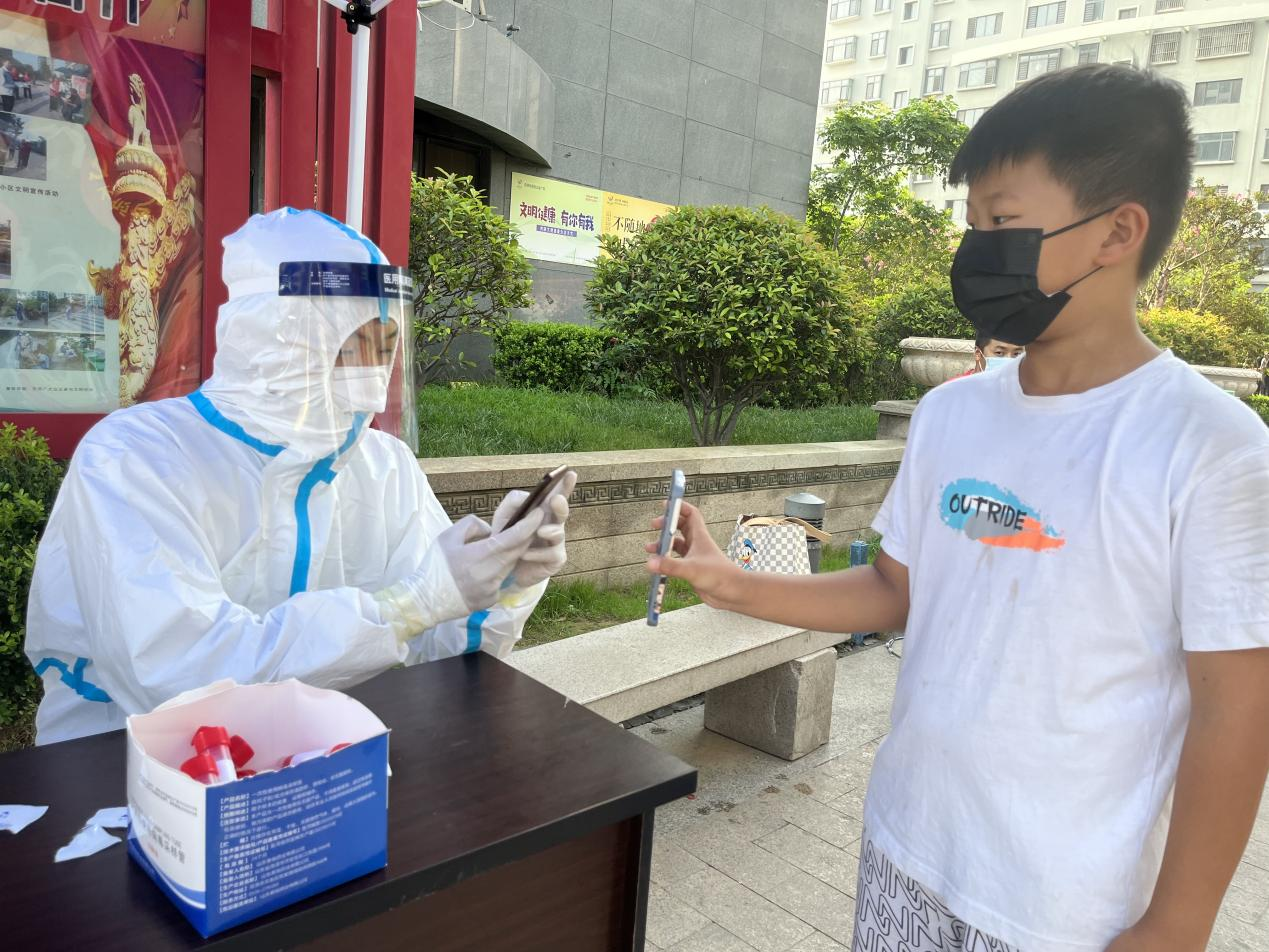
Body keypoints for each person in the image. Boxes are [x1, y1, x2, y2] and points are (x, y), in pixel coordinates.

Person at [647, 65, 1268, 952]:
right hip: (906, 846)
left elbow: (1235, 710)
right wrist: (729, 583)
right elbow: (894, 590)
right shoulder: (951, 413)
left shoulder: (1211, 448)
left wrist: (1179, 922)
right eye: (971, 223)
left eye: (1002, 222)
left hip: (1056, 909)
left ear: (1117, 231)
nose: (976, 250)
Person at [25, 207, 576, 745]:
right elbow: (179, 678)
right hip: (125, 768)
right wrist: (405, 607)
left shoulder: (383, 465)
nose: (373, 374)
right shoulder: (135, 457)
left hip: (321, 759)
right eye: (353, 343)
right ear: (273, 342)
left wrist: (502, 582)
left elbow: (441, 652)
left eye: (385, 346)